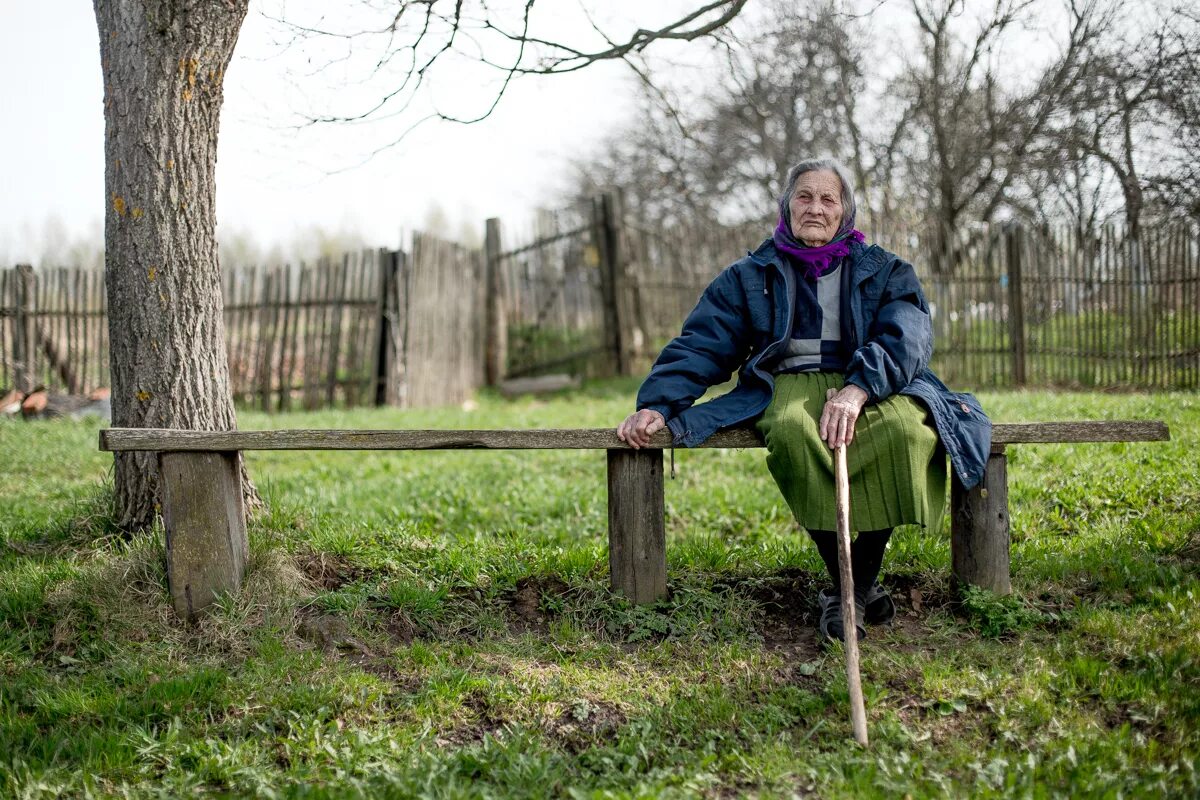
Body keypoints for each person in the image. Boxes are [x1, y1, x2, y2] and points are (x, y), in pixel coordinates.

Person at [616, 158, 992, 642]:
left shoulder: (885, 270)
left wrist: (859, 389)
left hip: (872, 382)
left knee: (904, 432)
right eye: (804, 197)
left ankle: (851, 588)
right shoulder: (752, 275)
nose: (815, 208)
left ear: (845, 211)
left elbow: (909, 337)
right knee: (794, 432)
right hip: (787, 382)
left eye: (827, 199)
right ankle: (853, 589)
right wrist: (660, 402)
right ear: (787, 206)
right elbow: (704, 342)